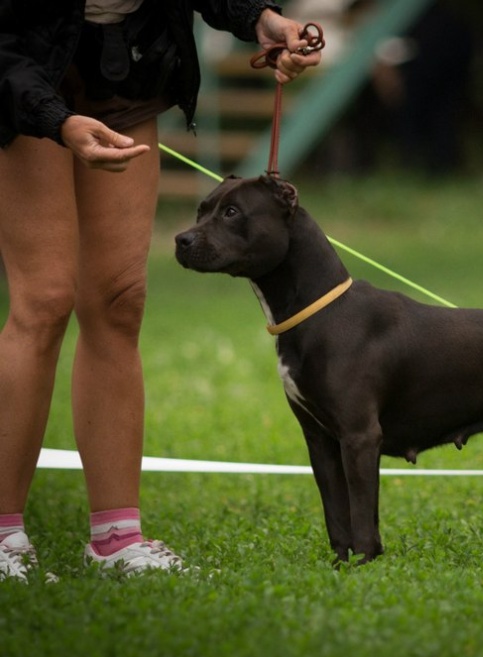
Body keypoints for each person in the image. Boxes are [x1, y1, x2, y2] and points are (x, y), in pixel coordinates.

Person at [0, 0, 320, 581]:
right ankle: (2, 537)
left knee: (119, 302)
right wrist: (57, 119)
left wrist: (258, 18)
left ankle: (116, 540)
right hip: (22, 72)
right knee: (44, 301)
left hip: (127, 71)